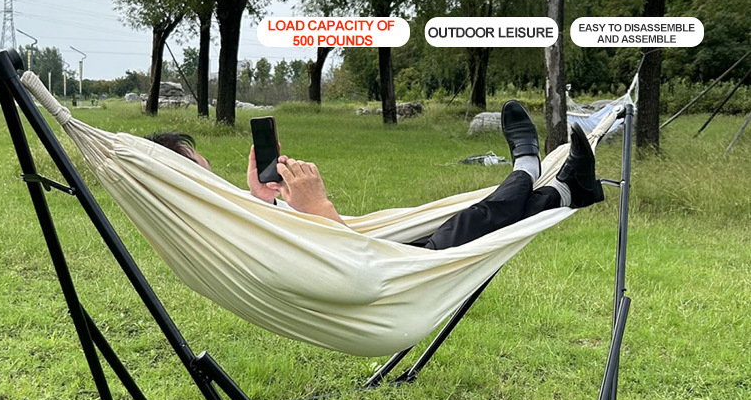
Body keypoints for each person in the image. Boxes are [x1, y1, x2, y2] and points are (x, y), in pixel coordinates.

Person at [144, 101, 604, 251]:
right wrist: (318, 205)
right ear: (186, 181)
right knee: (473, 219)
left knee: (466, 220)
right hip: (382, 282)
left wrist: (265, 201)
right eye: (202, 167)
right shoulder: (220, 228)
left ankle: (565, 190)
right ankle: (527, 167)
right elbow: (350, 263)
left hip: (385, 266)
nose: (213, 174)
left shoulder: (215, 223)